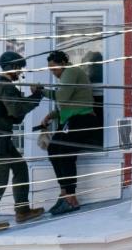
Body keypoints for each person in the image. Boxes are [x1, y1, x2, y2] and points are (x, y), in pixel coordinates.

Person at [0, 51, 45, 234]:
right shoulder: (6, 87)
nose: (20, 72)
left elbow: (13, 114)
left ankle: (22, 210)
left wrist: (26, 101)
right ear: (13, 67)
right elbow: (16, 112)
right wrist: (36, 96)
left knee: (20, 168)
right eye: (19, 68)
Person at [41, 50, 102, 216]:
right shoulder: (67, 76)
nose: (53, 73)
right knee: (54, 149)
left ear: (63, 63)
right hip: (73, 119)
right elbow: (69, 104)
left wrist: (41, 90)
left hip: (82, 119)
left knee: (65, 151)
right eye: (50, 70)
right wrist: (51, 116)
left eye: (54, 68)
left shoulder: (71, 71)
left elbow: (62, 98)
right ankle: (65, 193)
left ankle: (70, 198)